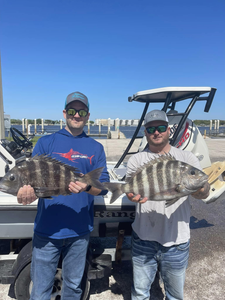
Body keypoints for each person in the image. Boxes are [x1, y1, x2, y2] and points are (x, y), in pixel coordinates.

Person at [17, 91, 109, 300]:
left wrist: (86, 187)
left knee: (74, 289)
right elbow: (30, 180)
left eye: (82, 111)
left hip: (79, 232)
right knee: (40, 290)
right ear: (64, 113)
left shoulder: (96, 147)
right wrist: (24, 192)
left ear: (88, 115)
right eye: (72, 110)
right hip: (46, 232)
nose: (76, 115)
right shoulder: (45, 143)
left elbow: (102, 187)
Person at [126, 109, 210, 300]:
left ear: (169, 130)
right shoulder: (136, 160)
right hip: (143, 238)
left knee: (174, 295)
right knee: (140, 293)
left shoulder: (186, 159)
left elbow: (204, 190)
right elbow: (132, 189)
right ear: (145, 132)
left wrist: (198, 188)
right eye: (151, 128)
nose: (156, 132)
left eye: (161, 127)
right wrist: (130, 195)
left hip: (177, 242)